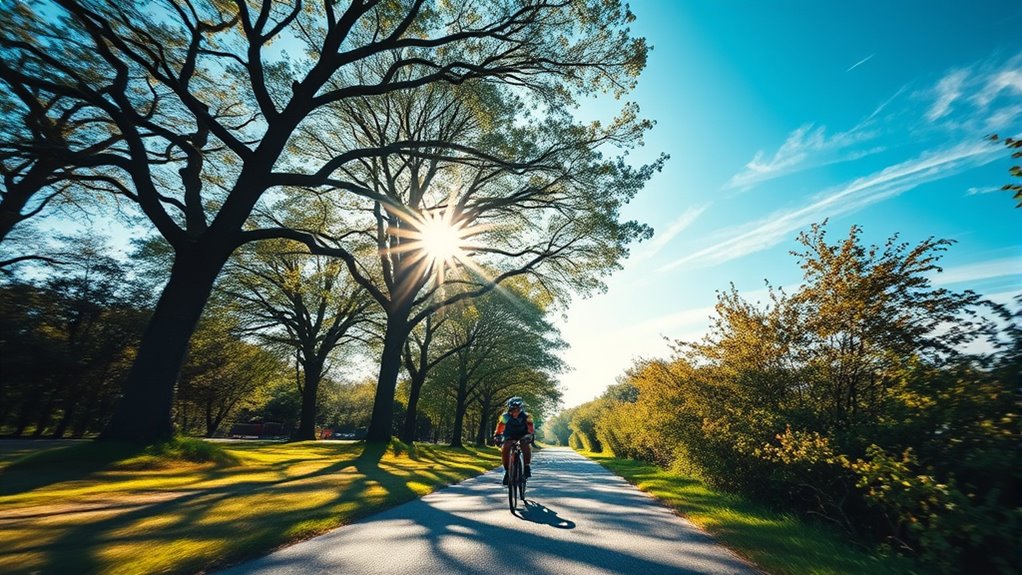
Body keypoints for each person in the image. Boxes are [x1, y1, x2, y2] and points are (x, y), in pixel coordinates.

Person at [493, 396, 534, 485]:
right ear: (510, 409)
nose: (515, 412)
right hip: (509, 435)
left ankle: (526, 467)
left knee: (525, 445)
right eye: (513, 409)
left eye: (517, 409)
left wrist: (529, 435)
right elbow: (500, 427)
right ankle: (508, 471)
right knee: (506, 447)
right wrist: (497, 435)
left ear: (521, 409)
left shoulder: (527, 416)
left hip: (523, 434)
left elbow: (530, 428)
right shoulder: (505, 416)